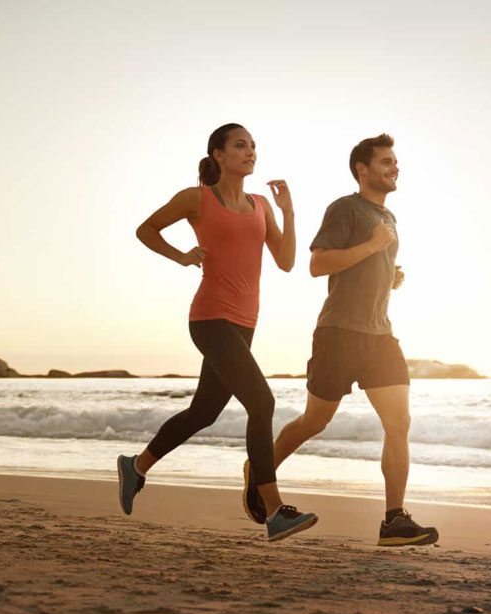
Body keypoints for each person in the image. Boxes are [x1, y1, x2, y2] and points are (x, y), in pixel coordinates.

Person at [117, 123, 318, 542]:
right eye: (240, 145)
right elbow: (146, 229)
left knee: (204, 412)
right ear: (218, 155)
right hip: (210, 318)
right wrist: (183, 256)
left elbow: (285, 261)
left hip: (245, 323)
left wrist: (289, 212)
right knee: (262, 401)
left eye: (253, 146)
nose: (250, 152)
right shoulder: (198, 198)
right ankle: (275, 510)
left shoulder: (261, 204)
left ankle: (136, 466)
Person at [241, 133, 440, 547]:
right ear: (362, 170)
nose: (394, 167)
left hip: (380, 335)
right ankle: (259, 470)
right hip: (339, 334)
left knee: (399, 423)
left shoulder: (389, 218)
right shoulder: (345, 208)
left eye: (395, 161)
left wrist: (390, 274)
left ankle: (393, 519)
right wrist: (372, 247)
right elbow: (317, 264)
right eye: (386, 161)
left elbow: (366, 264)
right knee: (316, 420)